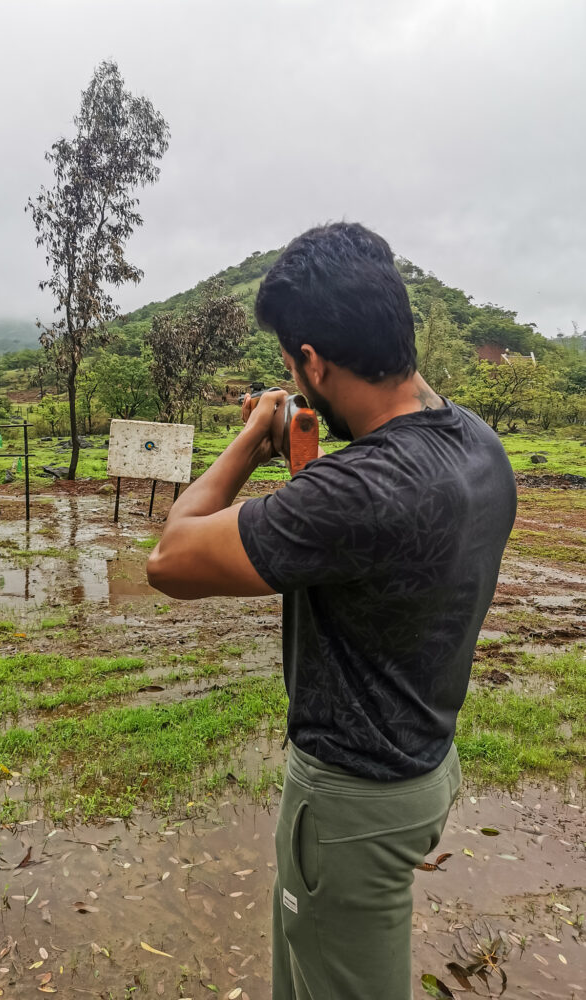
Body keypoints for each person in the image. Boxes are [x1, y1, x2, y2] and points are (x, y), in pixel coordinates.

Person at [146, 222, 516, 999]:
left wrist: (251, 439)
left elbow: (170, 560)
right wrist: (306, 459)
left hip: (353, 800)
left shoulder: (358, 494)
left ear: (311, 360)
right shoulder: (476, 445)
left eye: (293, 368)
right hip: (422, 763)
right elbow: (366, 537)